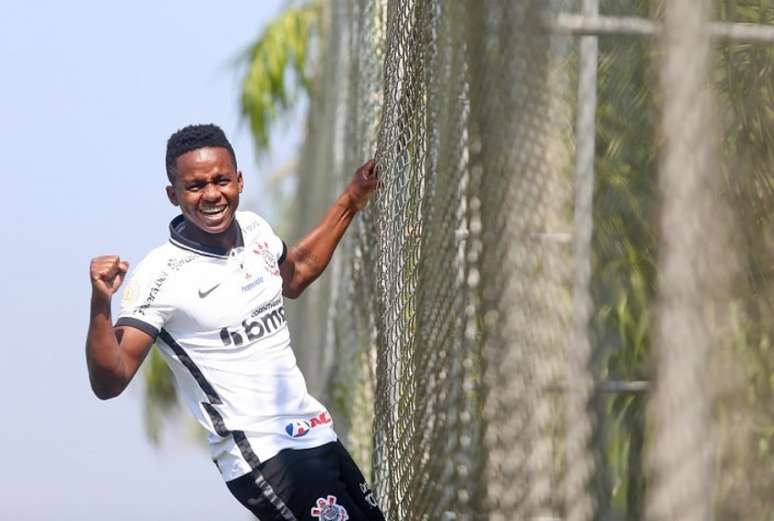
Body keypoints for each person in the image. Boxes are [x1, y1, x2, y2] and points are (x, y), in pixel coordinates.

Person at [86, 123, 385, 521]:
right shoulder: (159, 277)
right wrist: (100, 303)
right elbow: (111, 379)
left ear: (239, 181)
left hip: (315, 432)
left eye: (221, 180)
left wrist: (351, 199)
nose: (211, 194)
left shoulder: (256, 229)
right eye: (194, 187)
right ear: (173, 195)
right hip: (264, 457)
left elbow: (294, 275)